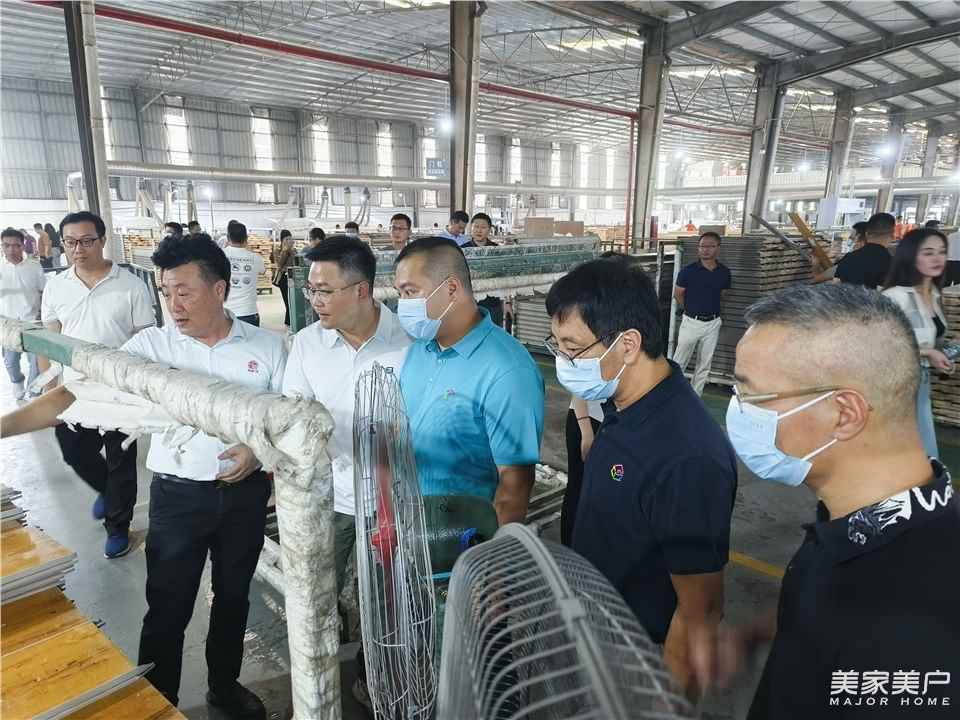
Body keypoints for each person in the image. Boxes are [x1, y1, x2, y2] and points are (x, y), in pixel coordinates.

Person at [692, 283, 959, 720]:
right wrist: (761, 636)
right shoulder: (861, 521)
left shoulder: (912, 629)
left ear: (844, 414)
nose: (737, 411)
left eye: (751, 395)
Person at [544, 257, 736, 701]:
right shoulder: (624, 405)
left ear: (628, 344)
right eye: (556, 345)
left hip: (638, 658)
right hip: (598, 627)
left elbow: (700, 612)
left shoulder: (687, 455)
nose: (562, 361)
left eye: (572, 348)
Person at [282, 235, 409, 711]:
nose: (315, 300)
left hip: (394, 500)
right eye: (311, 290)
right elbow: (295, 415)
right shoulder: (307, 344)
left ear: (362, 290)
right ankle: (319, 687)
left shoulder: (409, 342)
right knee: (320, 591)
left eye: (325, 290)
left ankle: (378, 680)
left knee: (390, 599)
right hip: (330, 496)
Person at [394, 237, 544, 524]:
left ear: (451, 288)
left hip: (463, 535)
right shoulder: (419, 350)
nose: (403, 304)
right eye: (400, 294)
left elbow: (514, 488)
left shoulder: (507, 370)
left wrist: (488, 550)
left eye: (410, 292)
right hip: (410, 522)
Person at [39, 211, 157, 558]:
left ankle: (117, 528)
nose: (78, 249)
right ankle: (107, 492)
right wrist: (49, 384)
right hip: (75, 390)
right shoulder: (56, 285)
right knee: (74, 451)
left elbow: (146, 339)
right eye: (70, 242)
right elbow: (48, 338)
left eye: (87, 241)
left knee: (121, 461)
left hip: (120, 391)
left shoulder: (131, 285)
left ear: (103, 240)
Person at [882, 227, 951, 459]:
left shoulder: (935, 294)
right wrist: (927, 353)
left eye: (942, 252)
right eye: (928, 253)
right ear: (911, 256)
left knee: (922, 443)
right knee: (902, 446)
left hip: (921, 382)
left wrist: (941, 355)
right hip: (896, 385)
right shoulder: (896, 296)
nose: (937, 258)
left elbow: (932, 340)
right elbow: (881, 344)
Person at [672, 231, 731, 396]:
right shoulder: (688, 271)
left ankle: (695, 396)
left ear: (718, 248)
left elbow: (723, 294)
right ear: (698, 248)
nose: (705, 250)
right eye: (702, 246)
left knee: (704, 363)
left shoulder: (724, 272)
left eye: (710, 246)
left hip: (713, 323)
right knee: (679, 362)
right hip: (691, 322)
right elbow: (678, 294)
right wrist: (691, 309)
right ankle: (672, 394)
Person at [0, 228, 46, 400]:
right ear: (1, 246)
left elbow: (44, 291)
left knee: (36, 361)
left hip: (32, 322)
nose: (11, 249)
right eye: (6, 245)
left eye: (16, 245)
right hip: (8, 324)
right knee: (10, 362)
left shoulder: (34, 266)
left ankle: (34, 393)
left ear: (23, 245)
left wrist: (42, 315)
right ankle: (17, 380)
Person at [834, 212, 894, 288]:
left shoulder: (849, 258)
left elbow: (836, 284)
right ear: (892, 236)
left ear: (866, 234)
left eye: (852, 238)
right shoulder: (894, 265)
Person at [222, 221, 265, 326]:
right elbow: (263, 271)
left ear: (228, 237)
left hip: (225, 312)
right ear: (246, 238)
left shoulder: (220, 255)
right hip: (248, 312)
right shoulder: (255, 258)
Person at [272, 229, 295, 328]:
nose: (289, 241)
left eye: (290, 239)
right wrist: (285, 251)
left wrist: (291, 252)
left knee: (292, 300)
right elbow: (279, 265)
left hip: (293, 277)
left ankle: (290, 322)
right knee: (287, 301)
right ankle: (288, 323)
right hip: (283, 279)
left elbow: (294, 263)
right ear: (282, 240)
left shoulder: (294, 251)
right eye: (287, 239)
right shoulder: (277, 251)